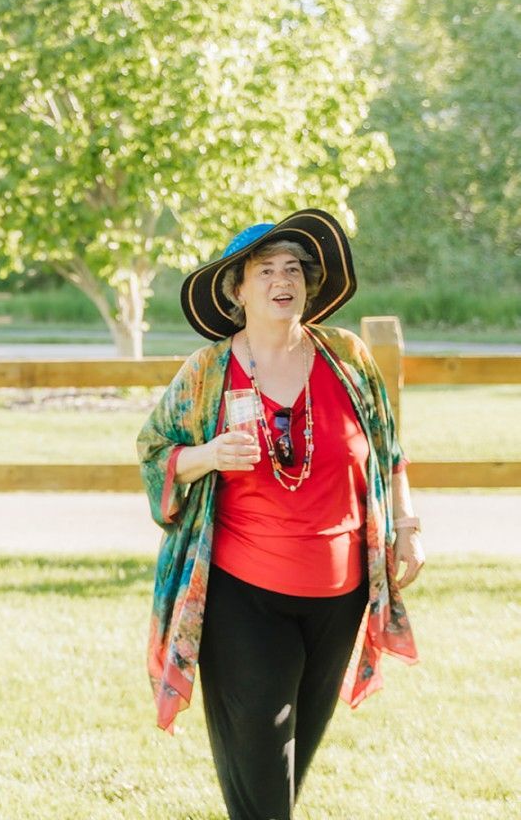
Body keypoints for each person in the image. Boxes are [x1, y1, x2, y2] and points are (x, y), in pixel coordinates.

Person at [137, 209, 424, 820]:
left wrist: (408, 526)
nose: (281, 279)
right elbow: (154, 450)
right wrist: (208, 455)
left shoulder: (345, 356)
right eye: (264, 270)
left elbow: (387, 445)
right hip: (244, 595)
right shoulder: (208, 372)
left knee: (283, 775)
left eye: (293, 268)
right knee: (264, 774)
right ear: (237, 289)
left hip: (340, 594)